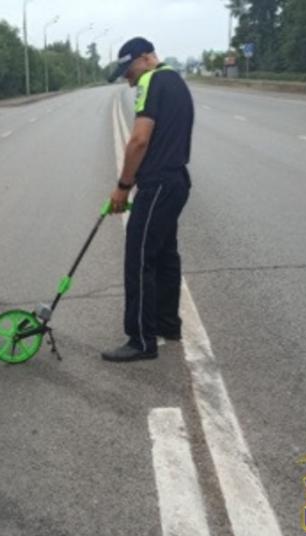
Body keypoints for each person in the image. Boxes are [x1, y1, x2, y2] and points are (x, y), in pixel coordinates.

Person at [101, 37, 194, 363]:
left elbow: (139, 139)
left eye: (129, 69)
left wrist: (123, 186)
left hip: (157, 185)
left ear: (144, 58)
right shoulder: (176, 81)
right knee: (165, 255)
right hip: (177, 181)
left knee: (140, 259)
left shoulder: (151, 81)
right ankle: (169, 325)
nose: (128, 78)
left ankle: (141, 339)